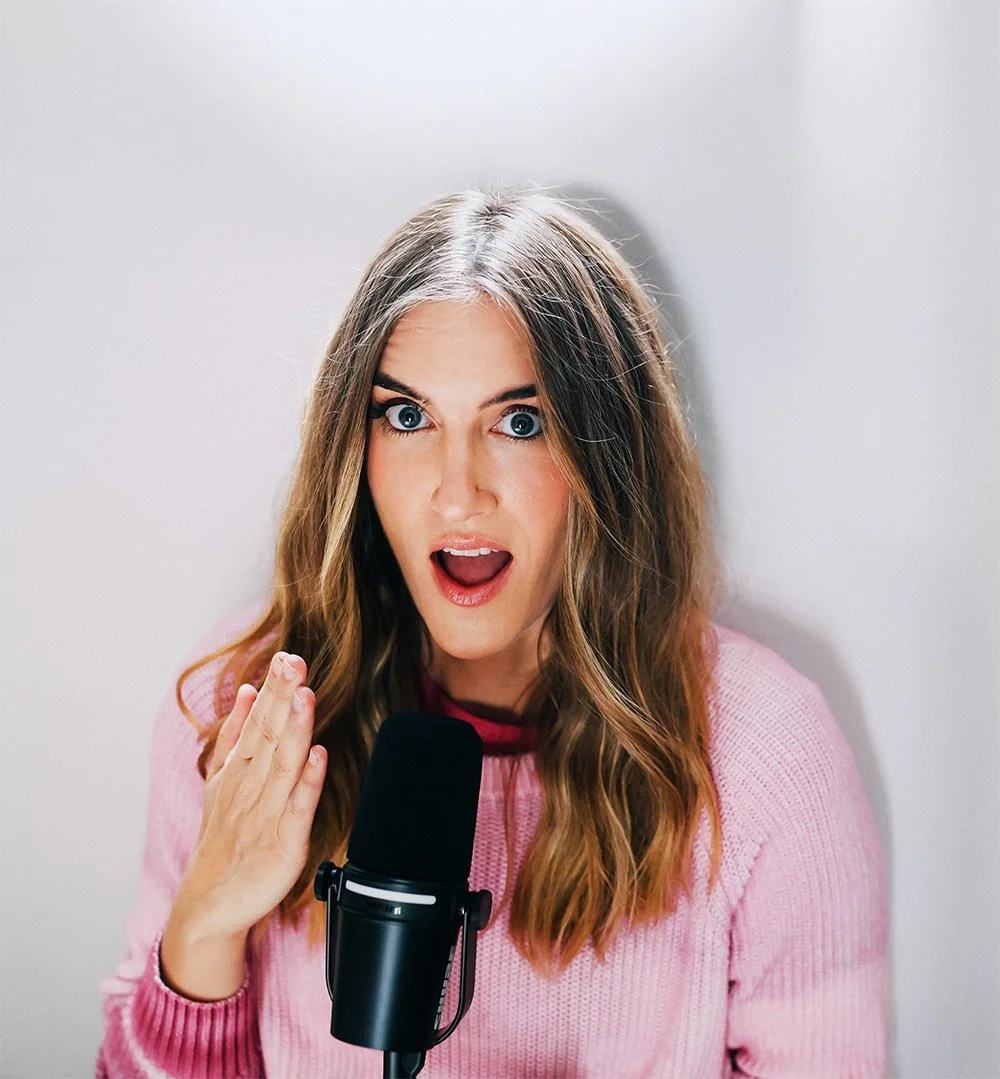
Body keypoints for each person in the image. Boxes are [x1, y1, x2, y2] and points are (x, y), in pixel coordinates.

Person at [96, 184, 889, 1078]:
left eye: (520, 422)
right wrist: (204, 923)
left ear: (607, 456)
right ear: (351, 451)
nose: (458, 490)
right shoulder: (240, 714)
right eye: (407, 417)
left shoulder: (762, 757)